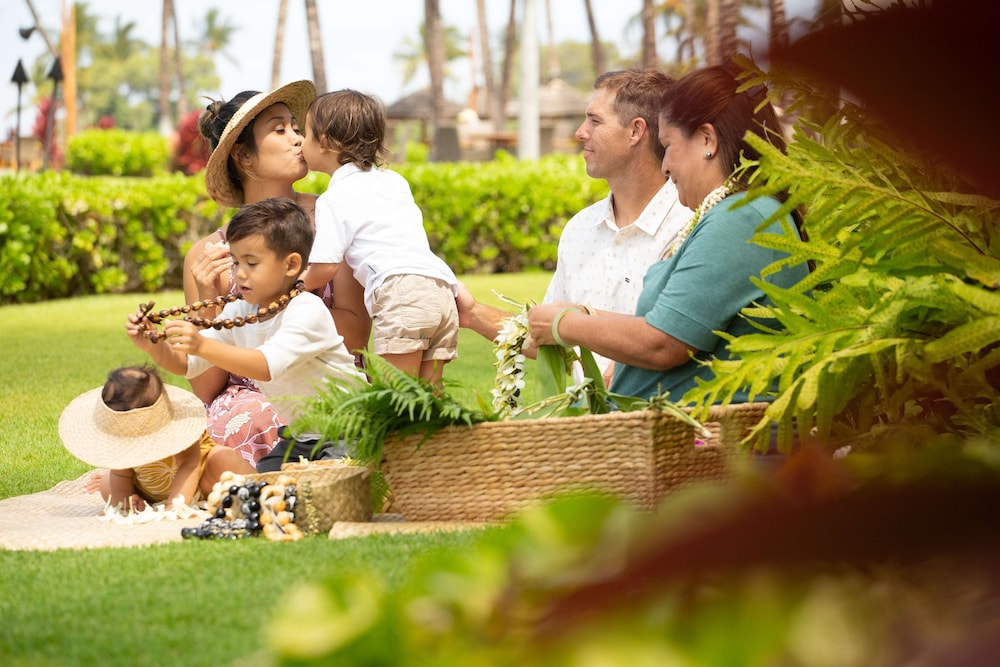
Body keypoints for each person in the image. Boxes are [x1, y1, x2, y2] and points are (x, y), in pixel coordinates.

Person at [526, 66, 811, 402]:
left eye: (669, 145)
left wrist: (564, 324)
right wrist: (584, 315)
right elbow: (674, 323)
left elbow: (662, 342)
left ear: (707, 141)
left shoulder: (741, 217)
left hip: (712, 445)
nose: (665, 165)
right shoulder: (739, 212)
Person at [456, 69, 690, 382]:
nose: (581, 133)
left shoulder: (690, 225)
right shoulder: (581, 228)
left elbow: (663, 343)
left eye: (595, 120)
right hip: (588, 428)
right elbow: (549, 336)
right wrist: (472, 314)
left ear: (635, 131)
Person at [189, 80, 371, 465]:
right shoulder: (208, 257)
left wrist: (266, 318)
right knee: (252, 415)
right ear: (245, 157)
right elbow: (205, 388)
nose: (297, 138)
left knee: (297, 415)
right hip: (250, 398)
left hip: (324, 383)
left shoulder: (333, 218)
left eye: (295, 126)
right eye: (280, 129)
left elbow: (355, 335)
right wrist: (207, 311)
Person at [128, 197, 368, 472]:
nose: (240, 274)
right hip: (304, 437)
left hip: (352, 429)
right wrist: (152, 345)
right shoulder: (240, 311)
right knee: (262, 485)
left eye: (251, 263)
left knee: (326, 485)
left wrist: (201, 344)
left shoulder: (306, 310)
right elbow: (187, 366)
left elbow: (265, 366)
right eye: (236, 263)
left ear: (290, 265)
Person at [298, 89, 459, 385]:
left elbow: (325, 267)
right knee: (427, 403)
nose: (300, 143)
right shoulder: (395, 181)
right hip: (442, 290)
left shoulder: (333, 199)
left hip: (400, 292)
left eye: (305, 134)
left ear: (325, 143)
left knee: (393, 398)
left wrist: (291, 288)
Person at [63, 366, 257, 512]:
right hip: (151, 491)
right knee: (108, 483)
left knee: (222, 458)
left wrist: (175, 506)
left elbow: (190, 466)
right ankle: (140, 504)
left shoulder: (178, 432)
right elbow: (122, 474)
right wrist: (124, 504)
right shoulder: (123, 440)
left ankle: (258, 485)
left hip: (200, 481)